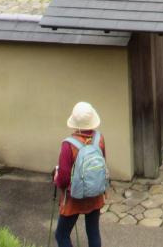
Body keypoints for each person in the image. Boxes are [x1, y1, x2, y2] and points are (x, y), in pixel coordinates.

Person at [54, 102, 107, 247]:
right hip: (95, 193)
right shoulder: (99, 139)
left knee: (61, 234)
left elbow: (64, 180)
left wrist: (56, 178)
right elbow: (103, 166)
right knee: (93, 231)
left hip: (74, 197)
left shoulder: (68, 145)